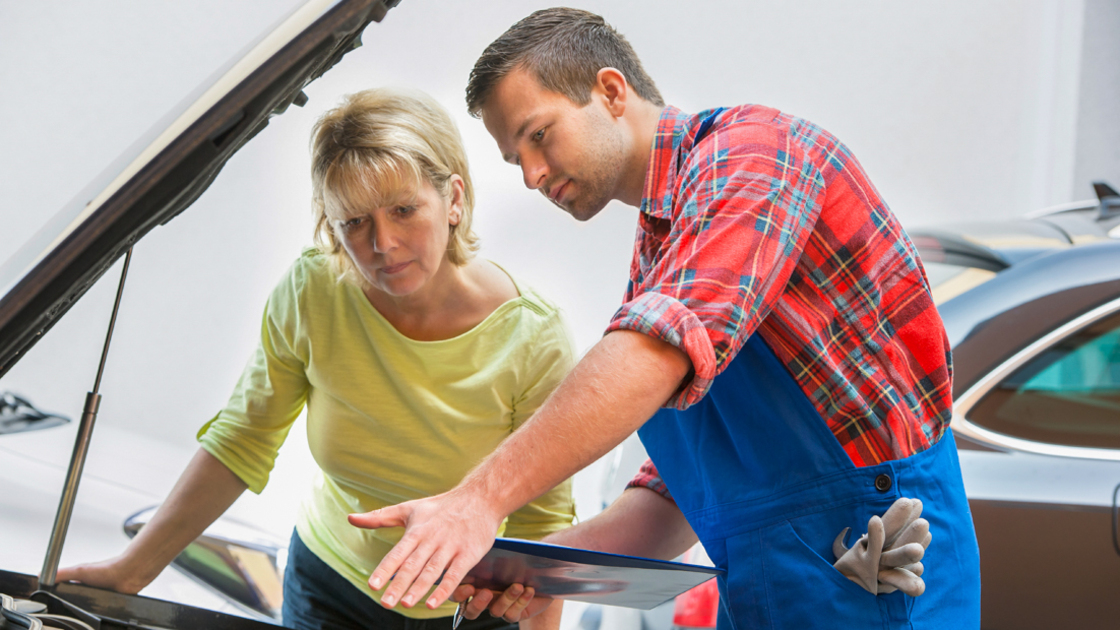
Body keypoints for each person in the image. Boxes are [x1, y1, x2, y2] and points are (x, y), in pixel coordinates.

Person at [346, 8, 982, 630]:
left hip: (875, 573)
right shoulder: (664, 247)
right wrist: (536, 570)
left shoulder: (756, 157)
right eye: (517, 160)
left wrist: (477, 501)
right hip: (772, 588)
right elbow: (677, 497)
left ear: (611, 91)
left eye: (539, 135)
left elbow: (656, 349)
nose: (535, 175)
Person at [57, 88, 575, 630]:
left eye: (403, 210)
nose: (383, 243)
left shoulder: (533, 338)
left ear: (454, 200)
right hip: (330, 585)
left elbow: (543, 525)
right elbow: (244, 438)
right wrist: (133, 571)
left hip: (469, 609)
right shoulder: (314, 291)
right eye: (353, 222)